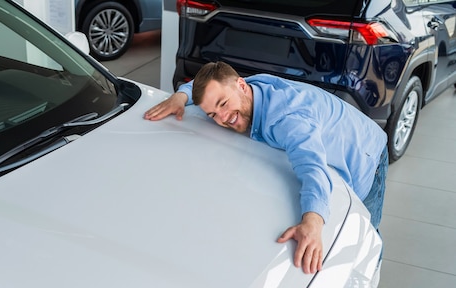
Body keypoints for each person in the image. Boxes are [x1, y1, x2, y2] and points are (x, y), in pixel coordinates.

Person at [144, 62, 388, 274]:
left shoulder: (287, 118)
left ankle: (371, 272)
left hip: (366, 154)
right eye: (212, 113)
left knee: (363, 232)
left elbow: (313, 168)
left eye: (223, 104)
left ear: (241, 86)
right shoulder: (245, 88)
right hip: (334, 125)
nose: (222, 117)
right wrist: (182, 96)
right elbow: (209, 85)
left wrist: (312, 222)